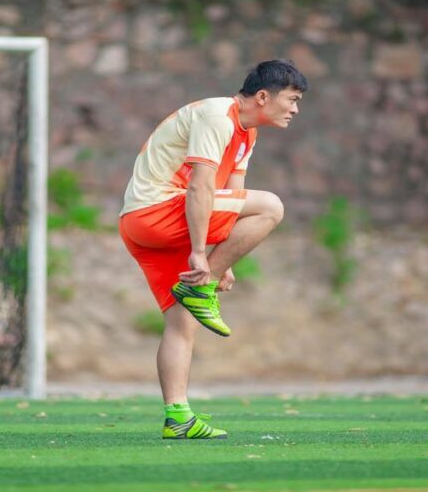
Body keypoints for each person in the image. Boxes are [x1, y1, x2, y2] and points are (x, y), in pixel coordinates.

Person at [119, 59, 309, 439]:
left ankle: (179, 418)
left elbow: (231, 199)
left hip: (141, 225)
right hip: (156, 212)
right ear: (262, 96)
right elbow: (200, 188)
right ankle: (198, 287)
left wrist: (226, 258)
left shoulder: (247, 133)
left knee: (182, 322)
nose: (295, 109)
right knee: (272, 205)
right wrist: (204, 259)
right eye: (292, 99)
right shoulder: (218, 117)